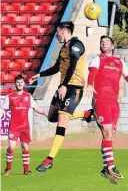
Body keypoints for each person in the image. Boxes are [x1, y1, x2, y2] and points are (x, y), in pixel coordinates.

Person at [29, 21, 93, 172]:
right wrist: (40, 74)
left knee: (62, 121)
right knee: (52, 117)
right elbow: (57, 67)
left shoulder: (77, 45)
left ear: (64, 30)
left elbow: (72, 65)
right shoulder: (63, 48)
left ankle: (49, 159)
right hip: (63, 87)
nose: (56, 34)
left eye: (58, 32)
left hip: (74, 89)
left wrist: (64, 85)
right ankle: (86, 114)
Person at [86, 36, 128, 184]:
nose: (103, 43)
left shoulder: (119, 62)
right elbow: (92, 72)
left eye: (106, 42)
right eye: (102, 42)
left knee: (111, 137)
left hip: (114, 102)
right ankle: (111, 166)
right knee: (107, 132)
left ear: (112, 45)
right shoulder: (97, 59)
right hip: (101, 99)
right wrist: (90, 85)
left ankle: (106, 168)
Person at [0, 75, 47, 176]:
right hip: (14, 126)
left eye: (21, 82)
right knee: (11, 147)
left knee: (25, 148)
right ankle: (8, 168)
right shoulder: (9, 97)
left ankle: (26, 171)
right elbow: (2, 110)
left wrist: (46, 113)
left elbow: (36, 108)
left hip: (25, 126)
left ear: (24, 84)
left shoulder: (28, 96)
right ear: (15, 83)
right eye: (18, 82)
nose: (20, 84)